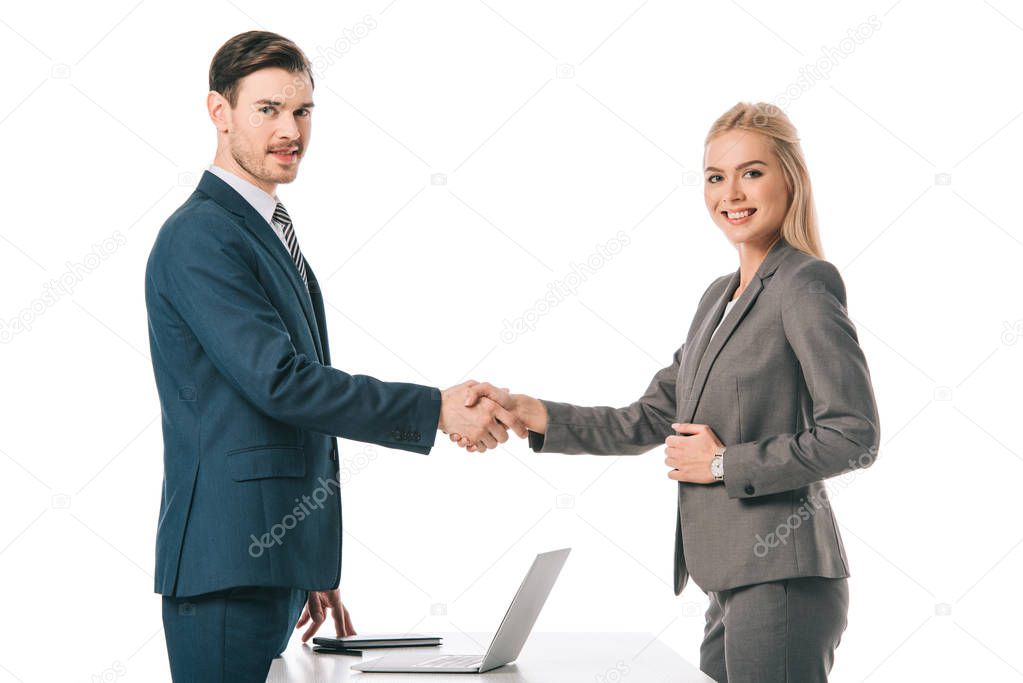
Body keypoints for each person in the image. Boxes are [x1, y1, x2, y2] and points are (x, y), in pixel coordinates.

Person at [452, 102, 881, 682]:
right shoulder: (717, 299)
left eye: (751, 172)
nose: (730, 191)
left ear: (791, 179)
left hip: (782, 579)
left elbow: (853, 436)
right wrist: (536, 414)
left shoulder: (803, 284)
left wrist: (725, 463)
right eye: (714, 176)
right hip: (730, 581)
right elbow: (650, 418)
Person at [144, 31, 522, 682]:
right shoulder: (202, 236)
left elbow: (279, 412)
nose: (290, 129)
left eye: (302, 110)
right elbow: (284, 384)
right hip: (226, 570)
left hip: (264, 563)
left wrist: (302, 559)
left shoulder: (260, 227)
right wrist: (434, 409)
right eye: (267, 109)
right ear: (219, 112)